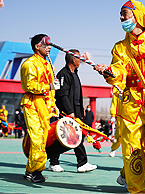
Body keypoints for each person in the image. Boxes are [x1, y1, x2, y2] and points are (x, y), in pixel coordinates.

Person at [94, 0, 145, 193]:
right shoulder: (120, 47)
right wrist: (109, 72)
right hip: (131, 105)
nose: (121, 18)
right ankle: (138, 190)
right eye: (121, 14)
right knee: (132, 150)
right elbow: (119, 72)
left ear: (137, 16)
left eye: (124, 13)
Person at [48, 49, 97, 173]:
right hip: (66, 112)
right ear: (73, 59)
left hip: (76, 112)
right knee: (71, 136)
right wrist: (69, 111)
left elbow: (76, 95)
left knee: (72, 137)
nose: (80, 60)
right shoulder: (63, 74)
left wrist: (81, 110)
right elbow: (62, 95)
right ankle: (80, 162)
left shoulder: (74, 73)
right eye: (78, 58)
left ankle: (57, 162)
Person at [20, 34, 59, 183]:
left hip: (45, 106)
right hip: (32, 104)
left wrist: (53, 104)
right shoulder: (29, 64)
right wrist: (48, 86)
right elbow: (28, 86)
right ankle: (33, 171)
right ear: (37, 46)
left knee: (43, 139)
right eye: (46, 44)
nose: (49, 47)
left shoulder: (48, 64)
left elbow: (51, 91)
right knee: (37, 138)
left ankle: (34, 170)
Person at [109, 87, 121, 157]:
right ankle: (113, 148)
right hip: (120, 116)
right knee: (118, 135)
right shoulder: (118, 86)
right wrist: (113, 115)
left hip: (133, 114)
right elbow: (114, 101)